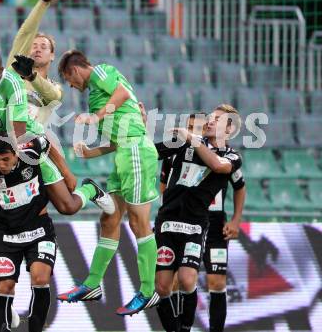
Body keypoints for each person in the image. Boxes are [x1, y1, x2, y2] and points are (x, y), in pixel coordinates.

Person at [0, 0, 115, 313]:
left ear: (52, 56)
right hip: (1, 153)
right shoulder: (10, 67)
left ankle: (88, 190)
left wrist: (32, 77)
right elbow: (26, 30)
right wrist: (45, 1)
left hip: (34, 152)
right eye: (35, 44)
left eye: (45, 46)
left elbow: (52, 97)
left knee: (69, 206)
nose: (38, 47)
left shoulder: (52, 85)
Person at [56, 51, 160, 316]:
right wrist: (90, 152)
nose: (70, 85)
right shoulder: (96, 95)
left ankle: (148, 291)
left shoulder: (101, 71)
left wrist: (96, 117)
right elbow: (117, 137)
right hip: (123, 153)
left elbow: (123, 93)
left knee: (139, 222)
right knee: (109, 220)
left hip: (136, 151)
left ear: (76, 70)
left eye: (68, 78)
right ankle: (92, 285)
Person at [0, 131, 113, 332]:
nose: (1, 164)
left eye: (5, 159)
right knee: (4, 287)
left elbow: (46, 141)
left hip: (38, 229)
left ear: (16, 153)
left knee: (40, 278)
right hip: (6, 235)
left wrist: (66, 171)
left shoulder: (30, 151)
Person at [154, 104, 243, 332]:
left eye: (218, 119)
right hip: (168, 221)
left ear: (230, 129)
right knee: (163, 286)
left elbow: (218, 167)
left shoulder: (232, 157)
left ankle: (186, 327)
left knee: (189, 279)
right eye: (210, 118)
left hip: (197, 224)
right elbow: (148, 153)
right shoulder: (186, 144)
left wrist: (235, 220)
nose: (210, 121)